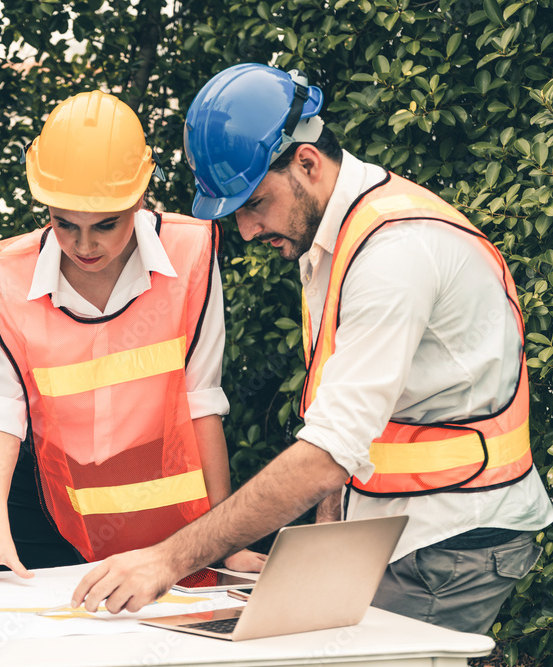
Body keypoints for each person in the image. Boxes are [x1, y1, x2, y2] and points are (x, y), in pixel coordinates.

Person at [71, 64, 553, 634]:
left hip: (453, 538)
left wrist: (168, 559)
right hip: (400, 527)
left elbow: (328, 452)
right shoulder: (334, 236)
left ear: (306, 162)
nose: (247, 230)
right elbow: (349, 424)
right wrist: (325, 548)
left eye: (254, 204)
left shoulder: (392, 255)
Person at [0, 91, 264, 590]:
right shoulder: (10, 274)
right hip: (50, 512)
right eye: (64, 223)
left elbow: (202, 401)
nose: (84, 246)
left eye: (105, 225)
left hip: (170, 517)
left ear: (139, 198)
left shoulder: (191, 251)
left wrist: (223, 536)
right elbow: (1, 406)